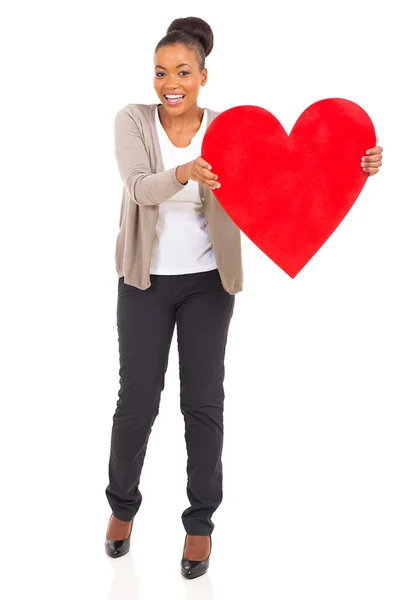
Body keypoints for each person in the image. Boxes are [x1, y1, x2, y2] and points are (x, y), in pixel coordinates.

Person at [104, 16, 384, 579]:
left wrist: (354, 164)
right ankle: (121, 507)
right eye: (160, 73)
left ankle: (200, 524)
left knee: (202, 403)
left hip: (209, 283)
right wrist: (184, 171)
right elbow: (138, 188)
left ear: (204, 75)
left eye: (183, 71)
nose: (170, 82)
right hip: (144, 282)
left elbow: (287, 185)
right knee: (137, 402)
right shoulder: (133, 120)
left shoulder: (228, 131)